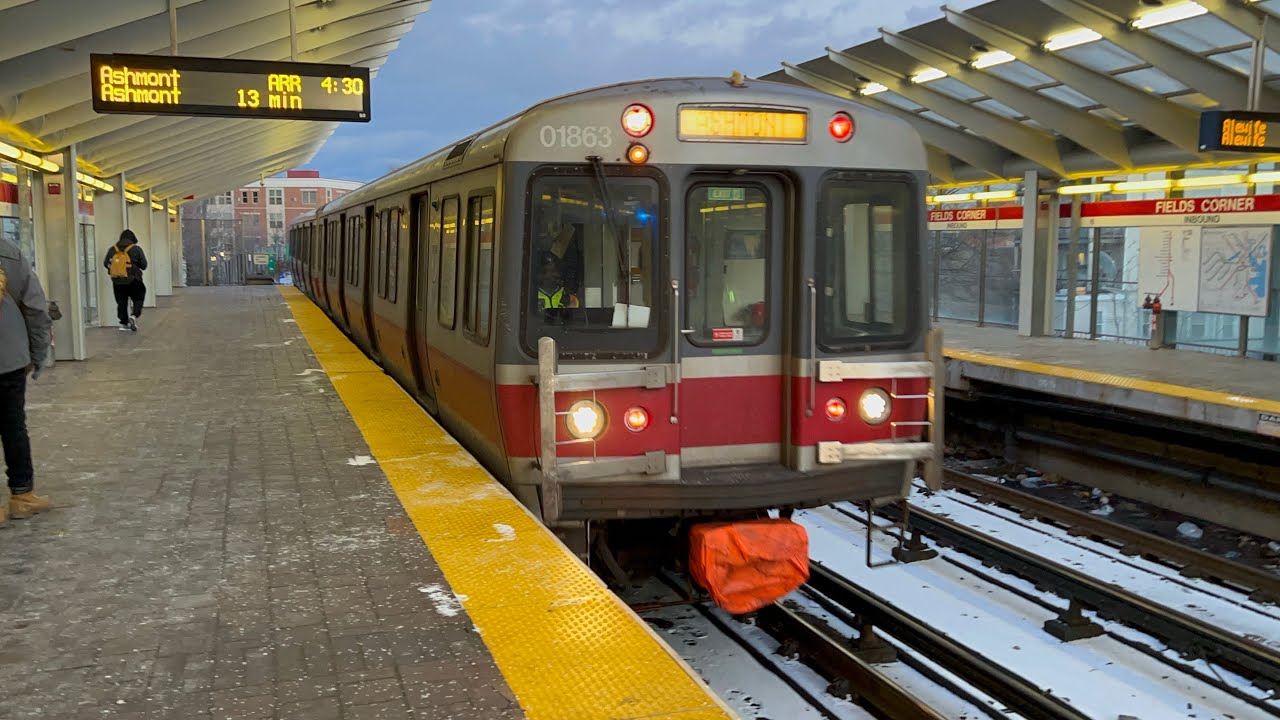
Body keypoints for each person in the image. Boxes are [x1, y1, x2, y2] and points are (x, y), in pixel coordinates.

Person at [0, 237, 52, 526]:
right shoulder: (7, 252)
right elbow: (35, 308)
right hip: (6, 359)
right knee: (13, 428)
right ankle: (22, 496)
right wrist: (37, 354)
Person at [104, 229, 147, 332]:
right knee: (138, 298)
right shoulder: (136, 249)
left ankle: (123, 323)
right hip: (134, 279)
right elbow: (144, 265)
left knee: (121, 302)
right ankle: (134, 315)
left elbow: (106, 263)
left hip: (117, 280)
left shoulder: (113, 249)